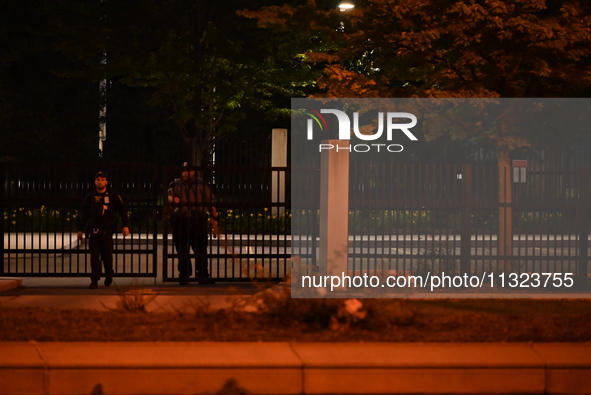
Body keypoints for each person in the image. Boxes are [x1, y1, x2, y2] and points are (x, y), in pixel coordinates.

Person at [77, 171, 130, 289]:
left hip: (107, 230)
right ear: (95, 181)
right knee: (94, 257)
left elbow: (122, 210)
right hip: (94, 230)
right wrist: (80, 229)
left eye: (102, 179)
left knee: (107, 255)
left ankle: (109, 275)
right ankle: (94, 280)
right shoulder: (90, 196)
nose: (100, 182)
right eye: (98, 179)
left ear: (106, 181)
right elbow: (84, 214)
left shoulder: (112, 195)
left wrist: (126, 225)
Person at [168, 162, 219, 285]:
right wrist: (172, 199)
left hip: (198, 219)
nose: (185, 173)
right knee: (182, 249)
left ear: (193, 172)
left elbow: (210, 201)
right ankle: (184, 275)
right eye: (184, 170)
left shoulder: (201, 184)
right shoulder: (175, 184)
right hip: (181, 219)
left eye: (188, 171)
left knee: (200, 249)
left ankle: (202, 275)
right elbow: (168, 196)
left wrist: (215, 218)